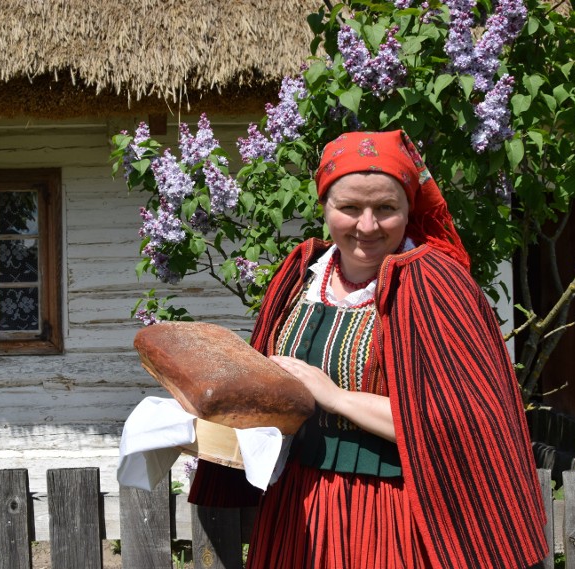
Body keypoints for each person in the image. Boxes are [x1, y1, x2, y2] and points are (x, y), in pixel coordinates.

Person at [189, 130, 547, 568]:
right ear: (325, 207)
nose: (367, 226)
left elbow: (462, 421)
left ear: (408, 210)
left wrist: (334, 396)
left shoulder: (438, 284)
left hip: (392, 514)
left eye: (386, 208)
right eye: (349, 207)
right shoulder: (300, 274)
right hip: (297, 508)